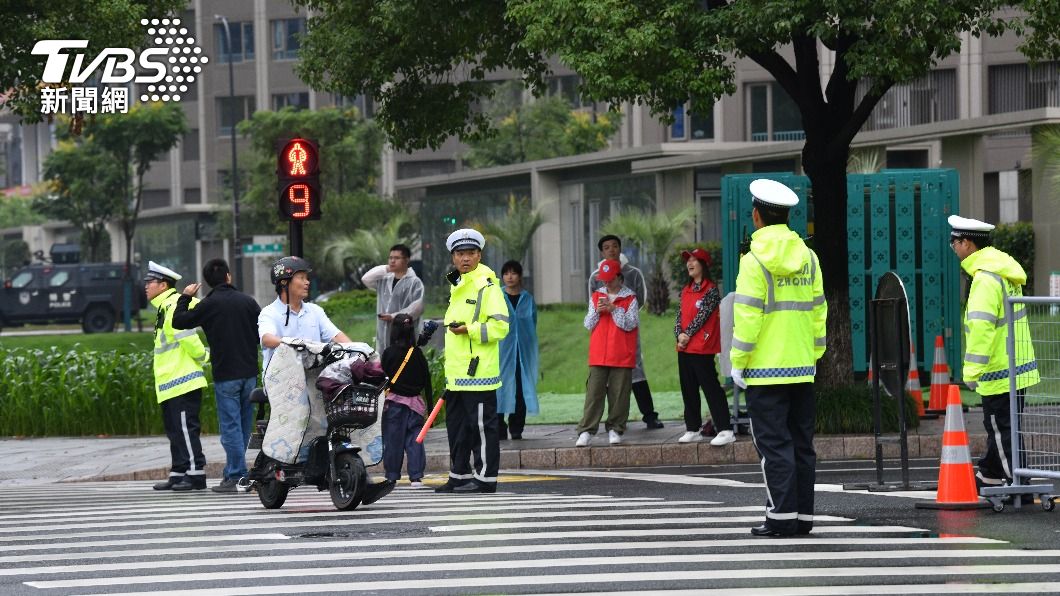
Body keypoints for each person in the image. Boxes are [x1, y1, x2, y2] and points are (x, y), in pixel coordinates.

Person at [730, 179, 827, 537]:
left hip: (764, 371)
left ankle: (781, 516)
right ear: (786, 218)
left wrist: (737, 361)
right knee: (802, 444)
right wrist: (815, 353)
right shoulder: (810, 258)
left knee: (774, 446)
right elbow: (819, 311)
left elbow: (748, 316)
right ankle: (802, 518)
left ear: (757, 216)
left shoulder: (753, 261)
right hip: (802, 367)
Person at [258, 256, 394, 502]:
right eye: (301, 278)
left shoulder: (314, 312)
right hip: (283, 383)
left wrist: (356, 350)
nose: (307, 282)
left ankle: (359, 476)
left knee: (345, 411)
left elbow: (338, 336)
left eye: (306, 278)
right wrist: (293, 342)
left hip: (316, 380)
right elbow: (267, 338)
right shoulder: (270, 313)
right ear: (285, 282)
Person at [948, 215, 1039, 494]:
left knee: (1000, 429)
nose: (953, 247)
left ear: (968, 244)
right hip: (1017, 365)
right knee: (1006, 427)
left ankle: (1017, 486)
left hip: (999, 369)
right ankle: (990, 473)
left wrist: (971, 373)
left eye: (955, 242)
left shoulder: (985, 279)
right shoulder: (1002, 271)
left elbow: (981, 329)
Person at [172, 258, 261, 493]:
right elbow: (262, 332)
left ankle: (236, 476)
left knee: (230, 427)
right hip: (250, 373)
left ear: (207, 282)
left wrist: (186, 297)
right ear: (229, 276)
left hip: (226, 374)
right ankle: (235, 472)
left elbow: (178, 321)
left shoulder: (208, 304)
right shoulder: (248, 302)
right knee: (242, 426)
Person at [434, 229, 510, 494]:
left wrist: (470, 329)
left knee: (481, 429)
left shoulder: (487, 286)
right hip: (457, 374)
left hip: (479, 372)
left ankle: (486, 479)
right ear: (453, 257)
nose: (465, 258)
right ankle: (459, 475)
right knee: (457, 428)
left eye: (470, 253)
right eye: (460, 254)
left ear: (479, 255)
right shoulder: (457, 285)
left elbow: (501, 327)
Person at [145, 261, 210, 492]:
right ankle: (179, 471)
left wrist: (204, 357)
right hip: (170, 382)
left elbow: (187, 338)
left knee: (184, 428)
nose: (146, 286)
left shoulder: (172, 305)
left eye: (149, 282)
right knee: (174, 429)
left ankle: (196, 473)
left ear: (163, 285)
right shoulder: (164, 306)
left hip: (183, 379)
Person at [589, 235, 663, 429]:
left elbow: (640, 299)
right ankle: (607, 421)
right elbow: (592, 302)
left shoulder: (633, 273)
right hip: (603, 332)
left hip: (626, 330)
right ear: (602, 252)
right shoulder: (595, 276)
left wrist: (621, 314)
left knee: (636, 370)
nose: (611, 250)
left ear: (620, 249)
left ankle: (649, 415)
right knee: (602, 376)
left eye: (615, 246)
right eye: (606, 247)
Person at [575, 258, 639, 447]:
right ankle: (586, 430)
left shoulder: (630, 298)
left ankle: (615, 429)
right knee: (594, 393)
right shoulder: (596, 296)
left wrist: (614, 309)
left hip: (621, 353)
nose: (606, 283)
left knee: (619, 394)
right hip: (599, 353)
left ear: (620, 277)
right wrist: (597, 310)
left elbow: (630, 324)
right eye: (604, 279)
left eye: (610, 279)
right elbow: (588, 324)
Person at [674, 247, 733, 447]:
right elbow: (679, 316)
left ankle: (725, 429)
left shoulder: (711, 290)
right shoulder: (685, 290)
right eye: (687, 260)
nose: (689, 263)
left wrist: (686, 334)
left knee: (711, 388)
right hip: (684, 348)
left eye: (694, 260)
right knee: (688, 389)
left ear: (703, 265)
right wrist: (679, 335)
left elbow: (703, 316)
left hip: (702, 347)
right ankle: (693, 428)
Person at [379, 313, 430, 488]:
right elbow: (426, 381)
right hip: (415, 404)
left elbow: (381, 377)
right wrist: (429, 407)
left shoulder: (388, 353)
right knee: (415, 440)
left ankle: (392, 475)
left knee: (393, 441)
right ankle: (416, 477)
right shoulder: (417, 354)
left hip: (394, 404)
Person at [497, 260, 539, 441]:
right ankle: (498, 426)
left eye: (513, 273)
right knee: (499, 388)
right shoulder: (496, 297)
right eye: (506, 273)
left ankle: (516, 427)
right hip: (501, 352)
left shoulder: (528, 299)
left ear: (520, 276)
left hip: (523, 353)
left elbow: (532, 324)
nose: (509, 277)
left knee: (520, 390)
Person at [361, 243, 425, 354]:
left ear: (407, 260)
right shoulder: (384, 280)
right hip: (383, 334)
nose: (392, 261)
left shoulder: (415, 282)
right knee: (384, 362)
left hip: (404, 335)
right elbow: (366, 279)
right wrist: (386, 268)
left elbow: (417, 307)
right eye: (390, 258)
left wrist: (394, 317)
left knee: (402, 365)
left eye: (396, 258)